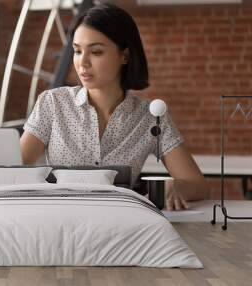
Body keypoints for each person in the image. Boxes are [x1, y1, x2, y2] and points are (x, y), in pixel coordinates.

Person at [20, 3, 209, 211]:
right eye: (77, 51)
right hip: (59, 221)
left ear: (125, 56)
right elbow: (7, 172)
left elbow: (198, 185)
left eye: (96, 52)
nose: (82, 63)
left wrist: (178, 186)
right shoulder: (52, 103)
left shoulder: (150, 117)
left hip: (120, 228)